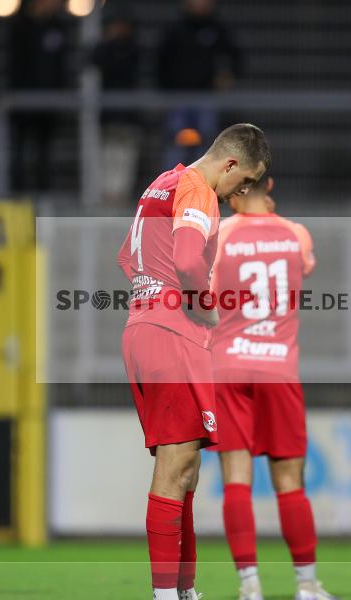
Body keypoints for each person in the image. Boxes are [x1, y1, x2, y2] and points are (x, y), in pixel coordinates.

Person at [117, 123, 270, 600]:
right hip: (172, 332)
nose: (242, 191)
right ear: (228, 163)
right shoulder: (198, 190)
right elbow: (186, 261)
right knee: (175, 468)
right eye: (243, 180)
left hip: (144, 327)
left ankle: (184, 591)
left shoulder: (161, 182)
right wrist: (210, 307)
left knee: (185, 470)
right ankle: (168, 595)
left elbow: (127, 258)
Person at [209, 176, 334, 600]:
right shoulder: (296, 234)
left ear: (232, 185)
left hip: (229, 365)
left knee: (236, 480)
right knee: (290, 482)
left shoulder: (221, 234)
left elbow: (204, 295)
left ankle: (250, 588)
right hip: (278, 367)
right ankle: (307, 586)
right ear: (270, 182)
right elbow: (305, 267)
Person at [156, 0, 242, 169]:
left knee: (207, 145)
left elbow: (235, 57)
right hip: (178, 99)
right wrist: (166, 91)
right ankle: (173, 187)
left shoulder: (217, 29)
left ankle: (201, 187)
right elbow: (161, 62)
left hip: (206, 98)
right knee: (176, 143)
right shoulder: (175, 29)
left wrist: (227, 76)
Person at [7, 0, 74, 192]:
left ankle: (43, 193)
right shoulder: (20, 26)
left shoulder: (58, 27)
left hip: (49, 102)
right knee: (19, 149)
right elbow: (16, 64)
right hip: (23, 101)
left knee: (44, 150)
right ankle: (17, 194)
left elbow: (61, 65)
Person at [92, 7, 143, 205]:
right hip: (108, 112)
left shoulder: (132, 48)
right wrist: (108, 41)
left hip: (129, 113)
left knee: (125, 155)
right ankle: (107, 192)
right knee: (107, 154)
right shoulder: (106, 48)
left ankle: (121, 192)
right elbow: (94, 59)